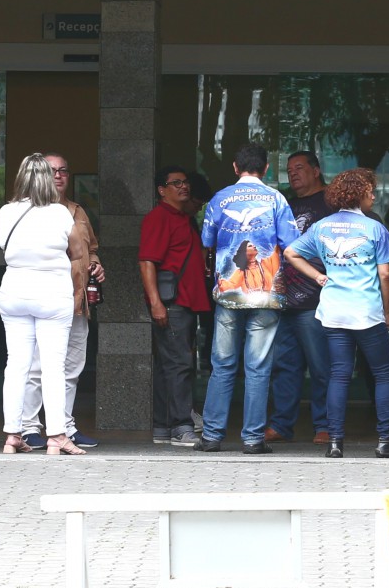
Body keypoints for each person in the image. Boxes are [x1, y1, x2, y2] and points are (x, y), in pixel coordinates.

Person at [283, 168, 389, 459]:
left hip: (333, 312)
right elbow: (385, 274)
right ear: (360, 194)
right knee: (384, 374)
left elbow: (291, 253)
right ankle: (385, 441)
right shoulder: (374, 228)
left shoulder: (322, 226)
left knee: (339, 374)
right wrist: (387, 311)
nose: (373, 197)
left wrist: (318, 276)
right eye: (370, 192)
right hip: (366, 312)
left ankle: (335, 442)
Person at [198, 142, 299, 454]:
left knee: (222, 365)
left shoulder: (219, 198)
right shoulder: (277, 199)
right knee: (258, 367)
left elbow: (206, 240)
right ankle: (253, 439)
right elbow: (292, 243)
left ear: (235, 167)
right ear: (266, 168)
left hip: (229, 296)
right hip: (266, 297)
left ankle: (211, 436)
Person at [0, 153, 91, 455]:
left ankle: (13, 435)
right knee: (53, 367)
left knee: (16, 365)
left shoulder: (7, 211)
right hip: (52, 295)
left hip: (14, 293)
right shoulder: (60, 214)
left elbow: (3, 245)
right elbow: (78, 252)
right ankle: (57, 436)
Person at [16, 153, 104, 451]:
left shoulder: (77, 211)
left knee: (71, 367)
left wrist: (95, 265)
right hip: (43, 299)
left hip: (77, 300)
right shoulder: (28, 211)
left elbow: (91, 249)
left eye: (63, 170)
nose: (58, 175)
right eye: (51, 170)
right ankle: (29, 427)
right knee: (36, 366)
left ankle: (64, 427)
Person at [267, 150, 333, 444]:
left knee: (322, 366)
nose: (293, 173)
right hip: (284, 299)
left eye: (299, 168)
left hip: (317, 298)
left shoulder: (331, 203)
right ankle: (281, 425)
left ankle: (326, 425)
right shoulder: (286, 205)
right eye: (289, 169)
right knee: (284, 366)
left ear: (316, 171)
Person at [139, 166, 207, 446]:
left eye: (185, 182)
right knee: (180, 364)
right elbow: (146, 262)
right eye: (176, 183)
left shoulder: (184, 218)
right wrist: (156, 303)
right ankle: (181, 426)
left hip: (184, 301)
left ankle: (163, 426)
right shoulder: (159, 217)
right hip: (172, 303)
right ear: (161, 190)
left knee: (168, 365)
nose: (183, 186)